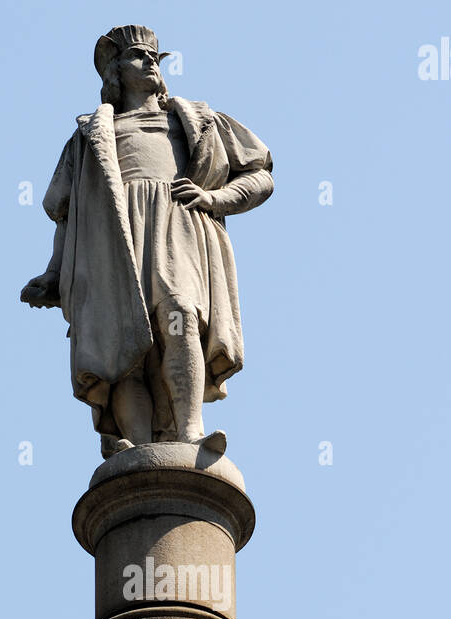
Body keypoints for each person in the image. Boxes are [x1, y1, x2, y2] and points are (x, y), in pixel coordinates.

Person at [21, 25, 273, 457]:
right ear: (115, 71)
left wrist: (215, 197)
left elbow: (260, 174)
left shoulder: (198, 119)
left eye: (155, 56)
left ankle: (191, 431)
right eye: (139, 56)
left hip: (177, 227)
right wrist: (55, 270)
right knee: (122, 341)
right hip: (110, 240)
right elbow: (69, 214)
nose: (151, 63)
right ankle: (136, 446)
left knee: (180, 315)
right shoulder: (88, 137)